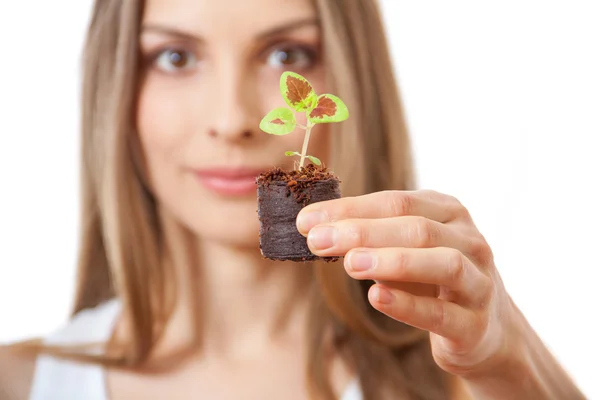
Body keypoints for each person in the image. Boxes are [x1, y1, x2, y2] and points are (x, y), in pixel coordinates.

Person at [0, 0, 586, 399]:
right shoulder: (19, 382)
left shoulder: (463, 380)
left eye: (287, 54)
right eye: (175, 57)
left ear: (354, 77)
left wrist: (510, 368)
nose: (232, 121)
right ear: (117, 88)